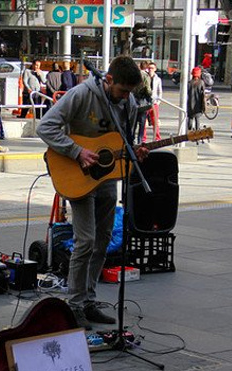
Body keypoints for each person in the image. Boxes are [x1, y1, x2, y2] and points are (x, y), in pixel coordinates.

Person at [36, 55, 149, 330]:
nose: (126, 97)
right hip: (77, 173)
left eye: (130, 92)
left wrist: (135, 151)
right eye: (122, 90)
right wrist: (76, 151)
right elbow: (45, 126)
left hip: (106, 176)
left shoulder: (129, 103)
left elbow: (121, 142)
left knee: (103, 239)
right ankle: (74, 305)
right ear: (108, 80)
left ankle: (89, 300)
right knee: (85, 240)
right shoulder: (81, 94)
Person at [134, 61, 152, 144]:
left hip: (133, 101)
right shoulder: (145, 76)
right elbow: (148, 89)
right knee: (142, 124)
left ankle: (132, 139)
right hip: (142, 102)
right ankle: (140, 141)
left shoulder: (134, 75)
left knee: (133, 123)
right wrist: (150, 95)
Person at [143, 62, 162, 142]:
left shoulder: (158, 79)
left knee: (155, 121)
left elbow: (160, 91)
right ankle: (143, 138)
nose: (150, 70)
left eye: (152, 68)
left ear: (155, 69)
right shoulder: (145, 77)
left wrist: (158, 102)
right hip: (145, 102)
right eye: (149, 68)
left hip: (154, 103)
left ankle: (157, 137)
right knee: (143, 121)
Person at [187, 67, 206, 132]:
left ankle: (189, 129)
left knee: (190, 117)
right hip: (198, 103)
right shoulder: (201, 82)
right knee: (197, 118)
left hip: (190, 103)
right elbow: (203, 94)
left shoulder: (189, 83)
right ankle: (197, 131)